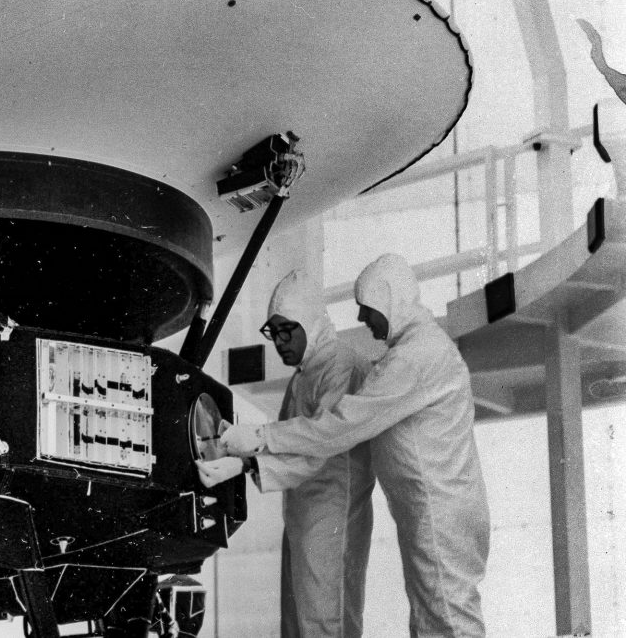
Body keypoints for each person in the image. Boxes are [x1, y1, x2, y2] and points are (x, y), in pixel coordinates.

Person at [221, 253, 490, 638]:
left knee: (445, 617)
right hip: (428, 507)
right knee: (433, 616)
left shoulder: (415, 356)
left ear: (390, 299)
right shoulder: (408, 351)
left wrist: (258, 441)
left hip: (436, 508)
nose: (362, 318)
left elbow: (339, 427)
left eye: (367, 307)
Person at [196, 270, 374, 638]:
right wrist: (242, 461)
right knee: (296, 625)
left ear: (312, 321)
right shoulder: (303, 374)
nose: (279, 342)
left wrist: (254, 445)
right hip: (303, 516)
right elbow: (290, 445)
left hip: (333, 517)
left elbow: (321, 443)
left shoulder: (342, 364)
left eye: (287, 331)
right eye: (273, 332)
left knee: (325, 623)